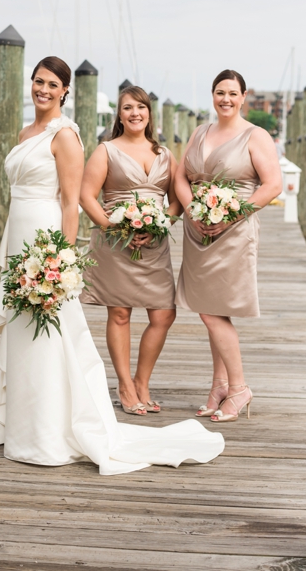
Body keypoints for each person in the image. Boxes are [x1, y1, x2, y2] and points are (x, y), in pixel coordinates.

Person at [0, 56, 225, 473]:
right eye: (38, 82)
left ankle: (51, 425)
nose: (44, 89)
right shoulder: (25, 132)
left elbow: (71, 201)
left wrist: (61, 255)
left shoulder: (66, 135)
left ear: (66, 91)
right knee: (26, 326)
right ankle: (22, 418)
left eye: (53, 84)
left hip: (47, 236)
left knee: (54, 329)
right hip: (19, 233)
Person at [174, 70, 281, 422]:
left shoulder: (256, 135)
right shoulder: (200, 131)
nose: (226, 99)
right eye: (220, 92)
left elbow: (272, 185)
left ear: (244, 96)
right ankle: (219, 385)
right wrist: (192, 211)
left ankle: (239, 388)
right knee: (212, 308)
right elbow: (180, 176)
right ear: (212, 94)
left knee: (211, 311)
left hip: (233, 231)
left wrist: (231, 216)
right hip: (198, 230)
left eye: (232, 93)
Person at [79, 85, 182, 415]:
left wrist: (160, 224)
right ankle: (124, 384)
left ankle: (142, 380)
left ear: (149, 113)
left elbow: (178, 199)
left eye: (140, 106)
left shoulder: (165, 154)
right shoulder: (106, 150)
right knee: (120, 313)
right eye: (127, 108)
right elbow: (86, 196)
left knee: (164, 313)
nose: (134, 112)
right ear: (119, 115)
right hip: (115, 242)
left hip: (154, 243)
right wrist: (116, 228)